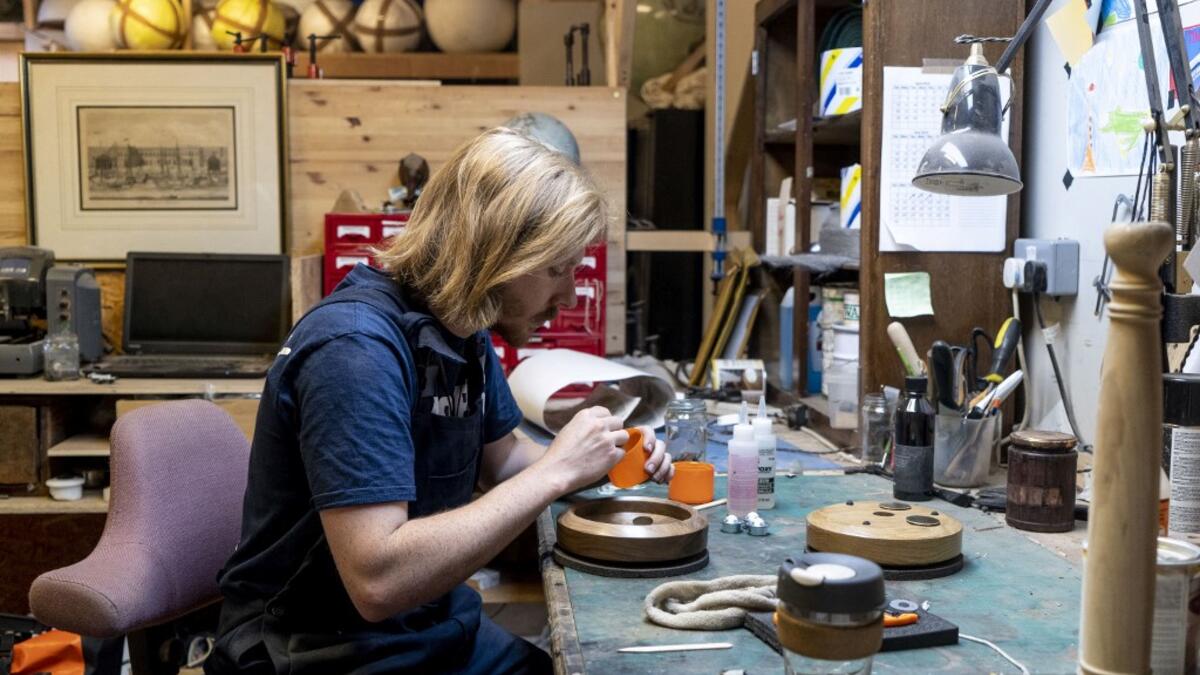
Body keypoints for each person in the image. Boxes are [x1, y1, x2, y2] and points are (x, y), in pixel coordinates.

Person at [205, 128, 674, 675]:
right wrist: (553, 475)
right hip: (319, 649)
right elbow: (378, 581)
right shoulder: (356, 352)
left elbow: (504, 458)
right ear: (493, 252)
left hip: (425, 625)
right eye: (555, 270)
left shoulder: (460, 331)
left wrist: (601, 460)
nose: (568, 296)